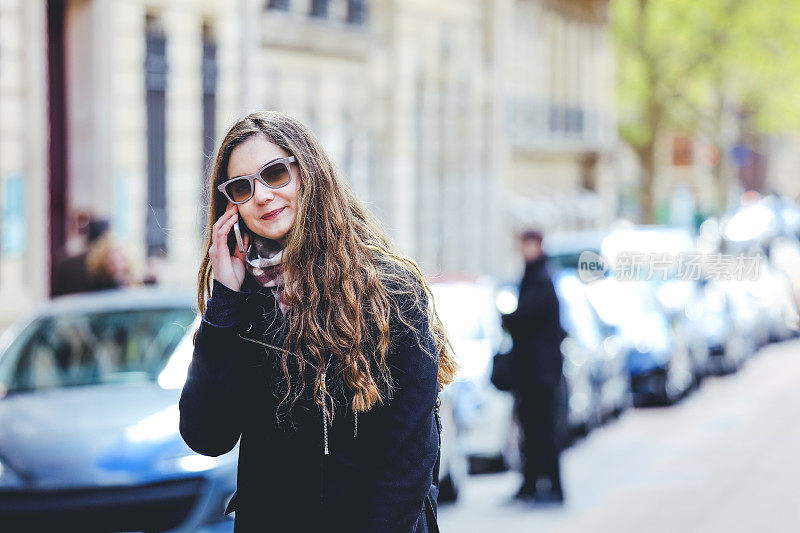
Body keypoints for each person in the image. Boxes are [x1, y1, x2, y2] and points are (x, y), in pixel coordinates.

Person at [179, 111, 457, 532]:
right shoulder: (243, 306)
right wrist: (223, 302)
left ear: (306, 173)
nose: (262, 196)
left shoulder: (390, 294)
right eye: (242, 187)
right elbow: (206, 435)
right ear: (230, 207)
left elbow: (406, 464)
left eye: (275, 174)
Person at [501, 230, 566, 503]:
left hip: (540, 373)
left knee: (543, 429)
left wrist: (507, 319)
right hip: (533, 371)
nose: (521, 250)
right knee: (532, 428)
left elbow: (527, 317)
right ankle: (533, 483)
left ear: (536, 245)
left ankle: (550, 485)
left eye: (525, 244)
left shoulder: (541, 278)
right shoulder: (536, 274)